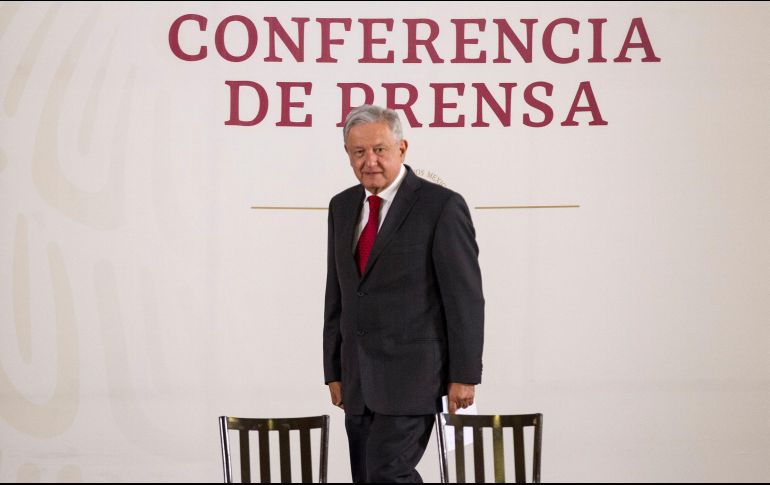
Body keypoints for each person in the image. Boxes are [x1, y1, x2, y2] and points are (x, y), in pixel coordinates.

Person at [323, 105, 484, 483]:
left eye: (380, 149)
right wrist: (333, 368)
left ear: (402, 148)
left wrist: (464, 374)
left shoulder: (440, 206)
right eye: (359, 152)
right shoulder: (342, 206)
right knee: (366, 477)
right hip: (357, 379)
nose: (370, 161)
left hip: (414, 378)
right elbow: (338, 293)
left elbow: (465, 299)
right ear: (348, 154)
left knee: (387, 474)